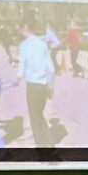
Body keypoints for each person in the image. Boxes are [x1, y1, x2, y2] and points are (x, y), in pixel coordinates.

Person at [16, 15, 57, 149]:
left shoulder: (23, 45)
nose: (20, 31)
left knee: (34, 116)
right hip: (44, 85)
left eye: (21, 28)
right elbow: (51, 68)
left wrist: (18, 78)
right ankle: (49, 142)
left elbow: (22, 65)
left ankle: (41, 145)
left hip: (32, 86)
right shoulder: (42, 43)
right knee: (39, 114)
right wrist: (51, 86)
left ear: (26, 28)